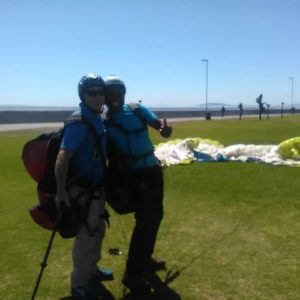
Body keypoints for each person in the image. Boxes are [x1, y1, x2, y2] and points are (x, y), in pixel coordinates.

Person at [104, 75, 172, 293]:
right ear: (105, 97)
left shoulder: (136, 109)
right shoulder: (103, 121)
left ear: (124, 94)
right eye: (110, 94)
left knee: (155, 217)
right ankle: (132, 274)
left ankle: (144, 260)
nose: (115, 97)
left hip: (152, 170)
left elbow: (156, 123)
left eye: (118, 93)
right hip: (135, 176)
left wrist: (163, 128)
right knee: (145, 221)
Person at [55, 73, 112, 300]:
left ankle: (92, 271)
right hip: (82, 191)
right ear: (83, 95)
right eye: (92, 93)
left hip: (97, 189)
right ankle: (79, 284)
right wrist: (60, 192)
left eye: (101, 92)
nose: (98, 96)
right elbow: (62, 157)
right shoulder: (79, 121)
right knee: (86, 235)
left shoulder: (97, 117)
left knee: (98, 231)